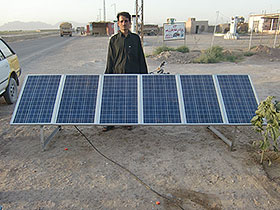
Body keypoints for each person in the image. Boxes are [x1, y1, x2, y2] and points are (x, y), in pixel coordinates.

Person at [103, 11, 148, 131]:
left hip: (132, 74)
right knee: (115, 98)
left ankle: (128, 120)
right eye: (121, 21)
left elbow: (140, 58)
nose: (124, 23)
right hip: (117, 74)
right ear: (118, 23)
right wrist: (107, 76)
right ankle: (111, 121)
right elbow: (110, 59)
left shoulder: (135, 39)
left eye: (126, 21)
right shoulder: (114, 40)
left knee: (130, 98)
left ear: (130, 23)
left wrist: (144, 75)